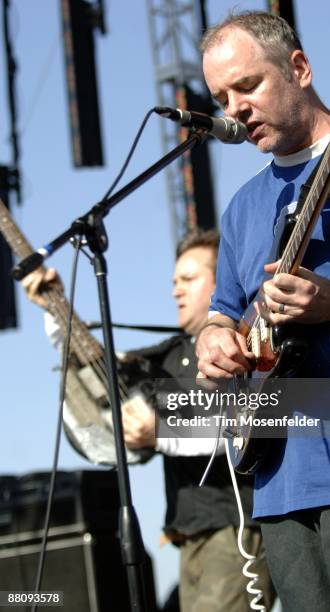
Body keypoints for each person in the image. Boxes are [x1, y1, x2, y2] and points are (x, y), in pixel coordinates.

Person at [196, 10, 330, 612]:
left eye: (248, 86)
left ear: (300, 67)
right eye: (220, 97)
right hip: (277, 472)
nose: (234, 108)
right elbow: (222, 313)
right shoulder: (240, 209)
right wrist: (215, 341)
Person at [23, 229, 274, 612]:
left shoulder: (244, 345)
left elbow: (251, 421)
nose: (176, 290)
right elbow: (101, 372)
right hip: (187, 534)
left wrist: (161, 433)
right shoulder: (167, 355)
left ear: (223, 280)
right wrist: (55, 308)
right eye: (174, 281)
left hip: (236, 531)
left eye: (189, 279)